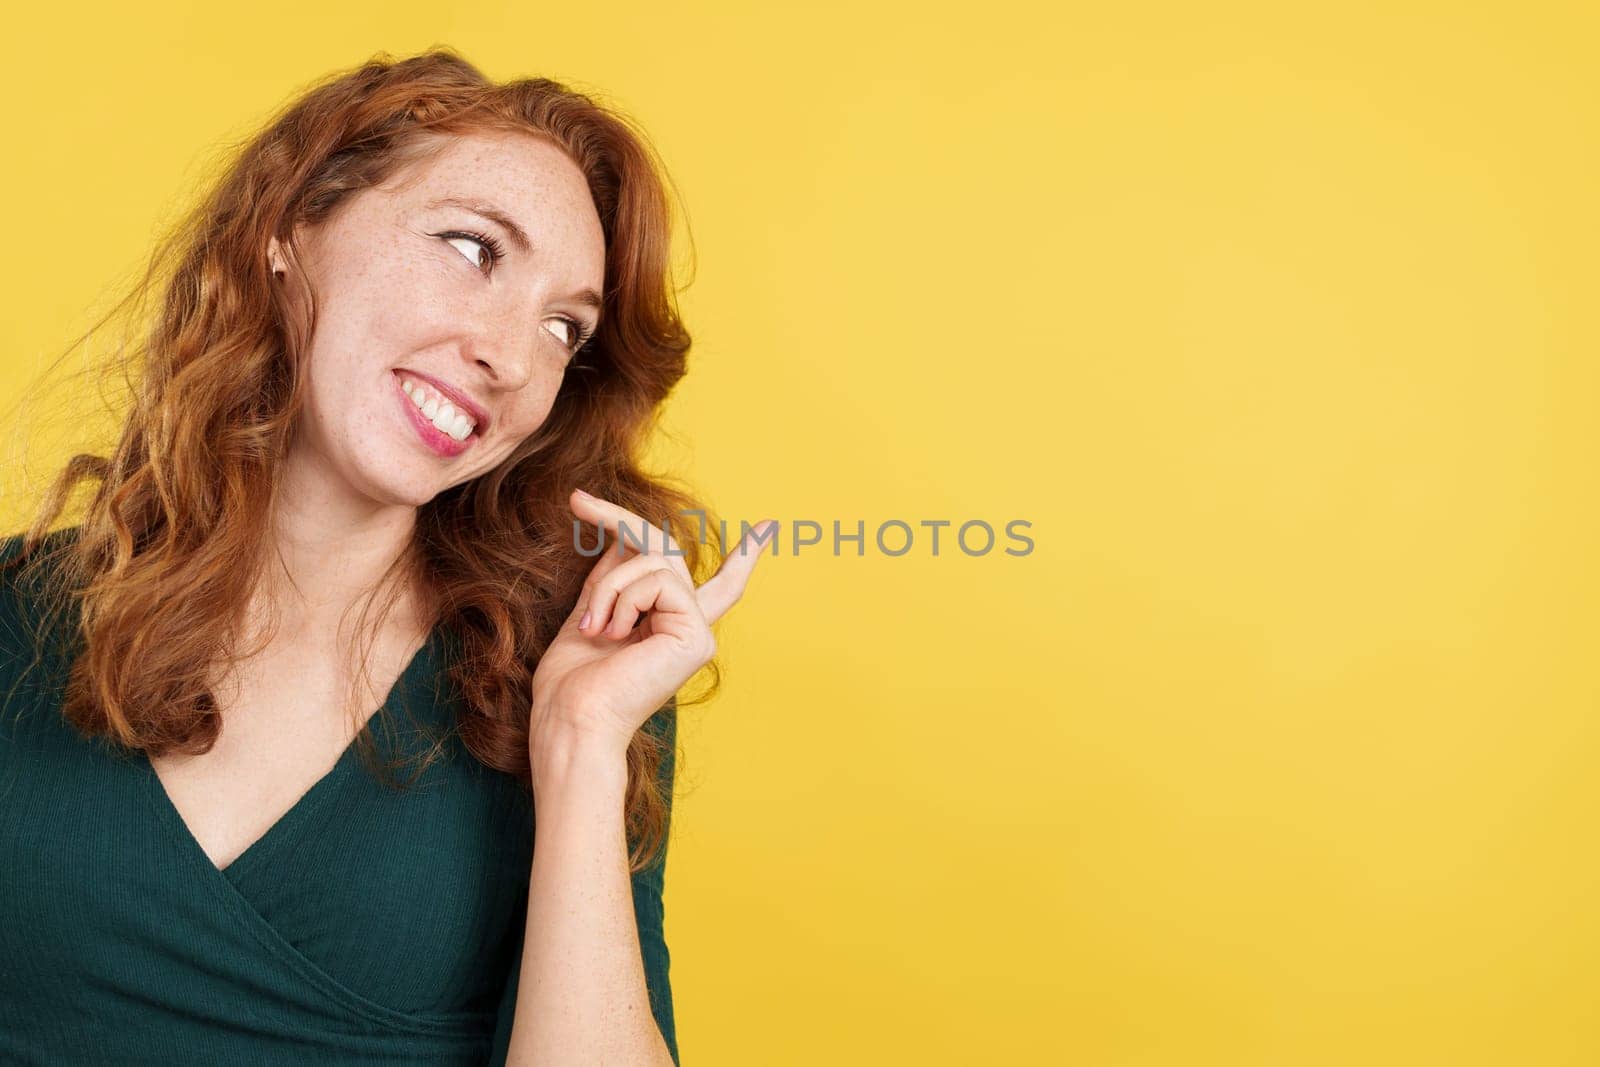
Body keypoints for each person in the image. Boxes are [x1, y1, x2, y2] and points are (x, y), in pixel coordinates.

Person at [0, 47, 773, 1065]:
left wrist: (582, 744)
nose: (510, 353)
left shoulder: (568, 671)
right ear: (290, 230)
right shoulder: (20, 610)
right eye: (470, 246)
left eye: (563, 327)